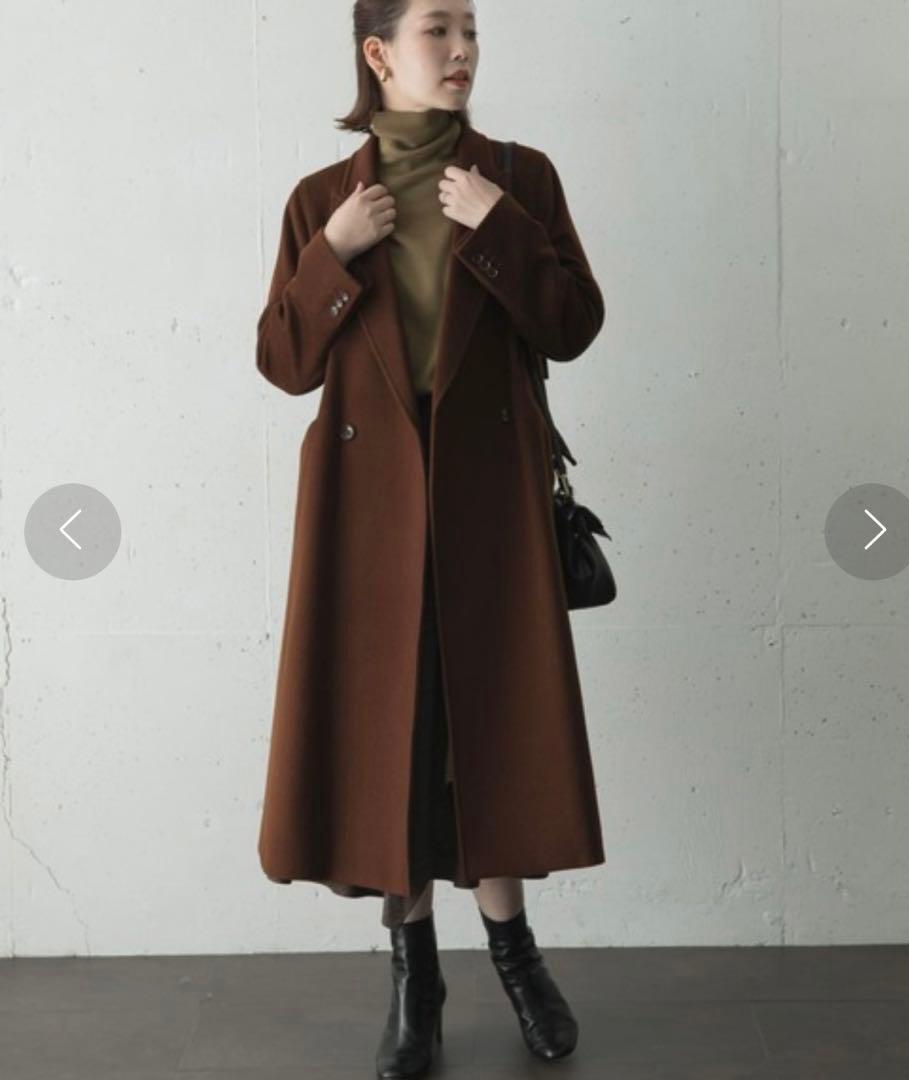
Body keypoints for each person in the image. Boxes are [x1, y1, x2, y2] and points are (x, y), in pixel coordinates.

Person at [255, 1, 607, 1076]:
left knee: (488, 724)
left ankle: (516, 957)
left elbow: (573, 326)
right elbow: (283, 361)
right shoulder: (322, 200)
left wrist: (500, 229)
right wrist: (333, 253)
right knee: (388, 738)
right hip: (366, 508)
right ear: (379, 53)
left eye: (471, 31)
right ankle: (415, 977)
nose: (462, 52)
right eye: (437, 31)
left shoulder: (520, 178)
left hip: (488, 498)